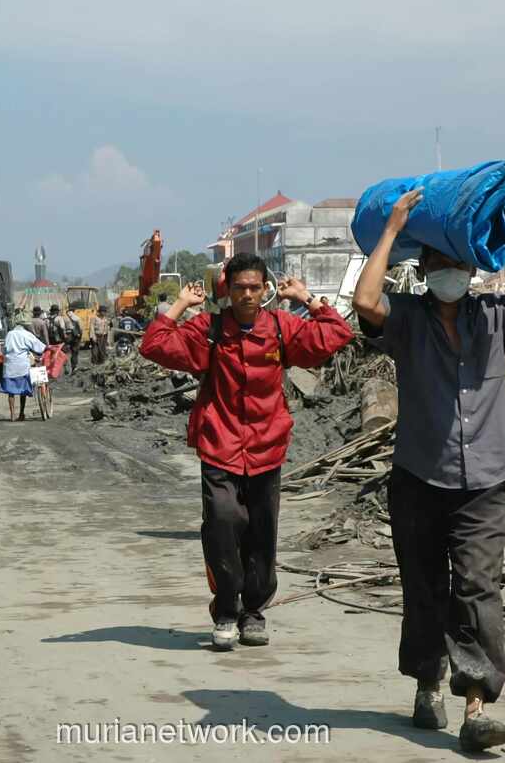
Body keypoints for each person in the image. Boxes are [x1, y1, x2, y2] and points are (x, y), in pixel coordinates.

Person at [352, 189, 505, 753]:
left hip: (484, 482)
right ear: (423, 268)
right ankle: (428, 682)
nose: (449, 272)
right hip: (419, 479)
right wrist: (392, 229)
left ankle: (476, 702)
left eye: (458, 263)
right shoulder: (407, 318)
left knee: (479, 589)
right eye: (439, 263)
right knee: (425, 589)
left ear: (473, 269)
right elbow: (365, 301)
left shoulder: (496, 318)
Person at [140, 253, 353, 652]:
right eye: (240, 288)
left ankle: (253, 612)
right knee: (221, 524)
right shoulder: (210, 329)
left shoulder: (281, 328)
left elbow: (335, 335)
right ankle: (225, 610)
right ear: (228, 289)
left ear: (266, 290)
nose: (248, 295)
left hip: (267, 447)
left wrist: (308, 299)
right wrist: (181, 305)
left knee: (261, 533)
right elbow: (154, 345)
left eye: (255, 288)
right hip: (219, 445)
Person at [1, 315, 46, 421]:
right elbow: (39, 346)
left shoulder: (9, 334)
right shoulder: (26, 334)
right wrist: (47, 348)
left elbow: (5, 349)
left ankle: (12, 415)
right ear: (25, 326)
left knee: (10, 392)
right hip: (22, 366)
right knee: (23, 391)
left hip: (10, 365)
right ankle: (21, 413)